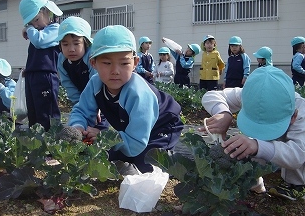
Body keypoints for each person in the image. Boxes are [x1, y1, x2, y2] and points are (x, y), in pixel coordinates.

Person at [68, 25, 184, 174]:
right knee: (107, 156)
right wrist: (77, 127)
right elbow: (82, 111)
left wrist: (103, 137)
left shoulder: (139, 93)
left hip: (163, 125)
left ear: (135, 63)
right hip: (131, 129)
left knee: (146, 165)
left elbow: (136, 143)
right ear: (93, 63)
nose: (115, 71)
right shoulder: (95, 83)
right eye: (107, 63)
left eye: (124, 63)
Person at [200, 66, 305, 201]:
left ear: (294, 115)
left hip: (298, 151)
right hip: (269, 150)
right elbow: (211, 95)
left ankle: (296, 184)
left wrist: (258, 146)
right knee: (252, 146)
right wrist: (223, 113)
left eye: (271, 127)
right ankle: (254, 180)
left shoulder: (301, 109)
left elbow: (297, 156)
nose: (264, 134)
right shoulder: (248, 95)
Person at [19, 0, 62, 131]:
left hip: (46, 76)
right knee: (34, 112)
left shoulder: (55, 29)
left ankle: (51, 145)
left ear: (47, 11)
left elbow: (39, 41)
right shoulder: (38, 31)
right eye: (31, 23)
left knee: (46, 113)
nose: (35, 25)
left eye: (37, 19)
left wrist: (28, 28)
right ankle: (36, 144)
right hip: (33, 75)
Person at [56, 16, 108, 131]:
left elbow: (97, 84)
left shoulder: (92, 57)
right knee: (78, 126)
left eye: (76, 43)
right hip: (81, 99)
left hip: (101, 98)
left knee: (99, 128)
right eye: (65, 44)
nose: (71, 49)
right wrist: (79, 108)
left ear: (86, 42)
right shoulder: (61, 60)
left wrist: (96, 108)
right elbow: (68, 85)